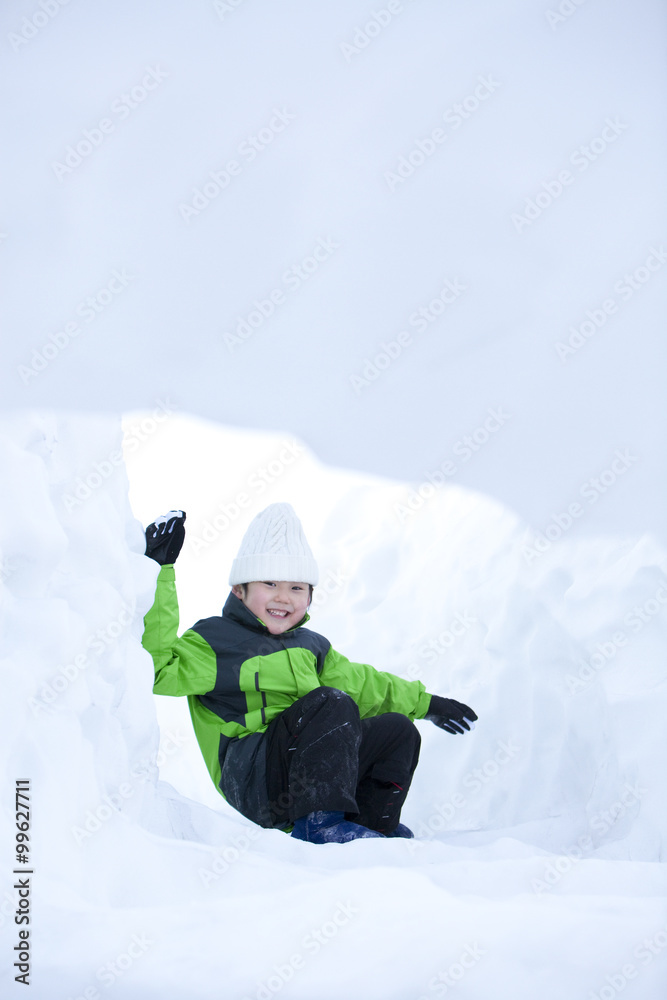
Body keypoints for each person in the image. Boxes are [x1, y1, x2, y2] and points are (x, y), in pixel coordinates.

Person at [142, 504, 477, 844]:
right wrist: (158, 571)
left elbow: (364, 685)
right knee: (330, 702)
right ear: (238, 590)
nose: (283, 597)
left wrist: (428, 703)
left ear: (311, 596)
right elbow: (159, 669)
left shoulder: (310, 646)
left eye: (297, 588)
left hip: (307, 773)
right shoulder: (216, 641)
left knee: (397, 730)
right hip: (254, 779)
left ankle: (373, 826)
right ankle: (321, 824)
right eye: (270, 583)